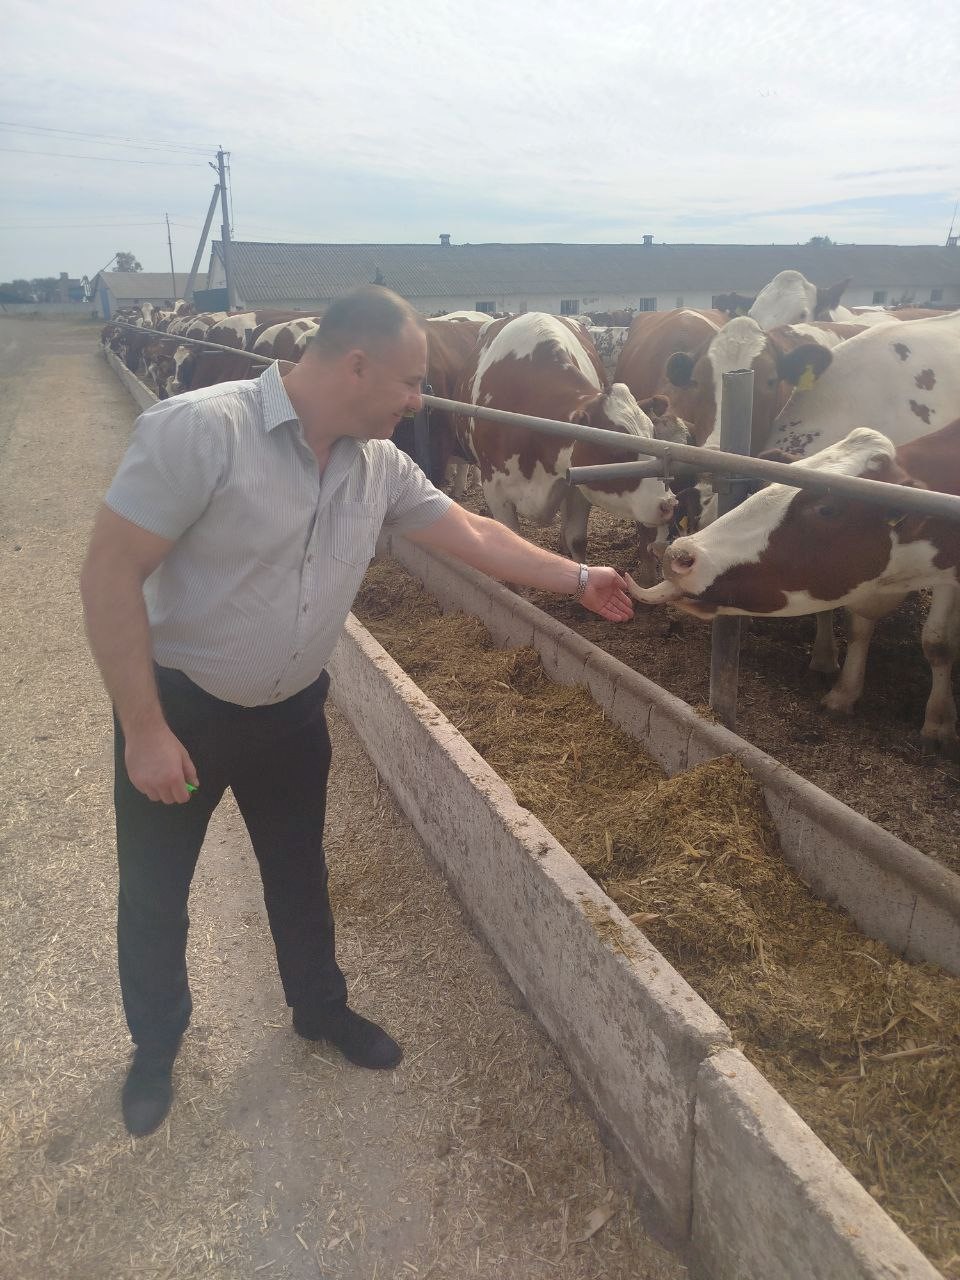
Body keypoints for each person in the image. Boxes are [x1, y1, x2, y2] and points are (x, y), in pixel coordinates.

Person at [80, 285, 636, 1137]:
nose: (420, 400)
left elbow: (473, 534)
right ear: (355, 366)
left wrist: (579, 578)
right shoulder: (201, 431)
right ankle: (156, 1046)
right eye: (411, 382)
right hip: (183, 714)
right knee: (157, 889)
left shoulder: (380, 467)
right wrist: (146, 730)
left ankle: (319, 1007)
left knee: (299, 871)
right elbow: (110, 573)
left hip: (292, 716)